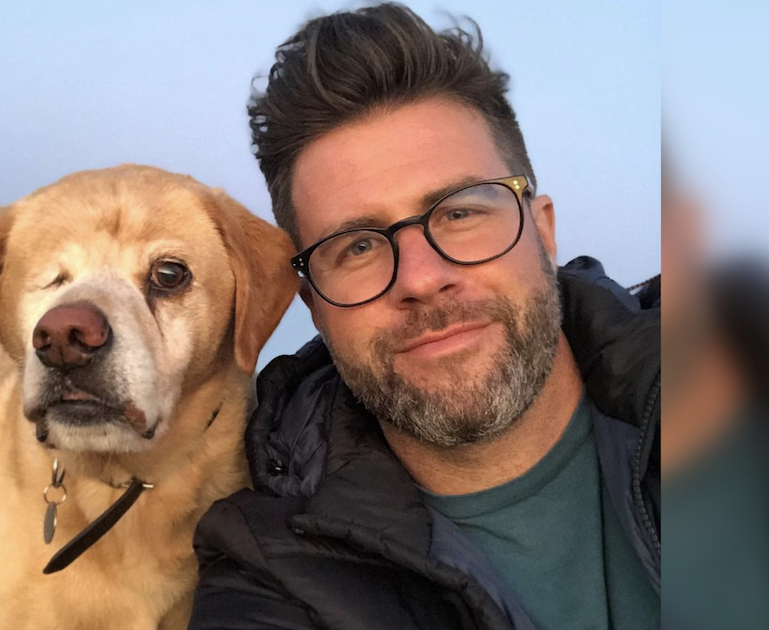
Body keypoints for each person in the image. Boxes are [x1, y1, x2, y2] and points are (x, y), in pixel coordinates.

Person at [188, 4, 660, 629]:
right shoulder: (270, 571)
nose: (420, 278)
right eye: (357, 246)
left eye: (459, 213)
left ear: (543, 231)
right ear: (315, 306)